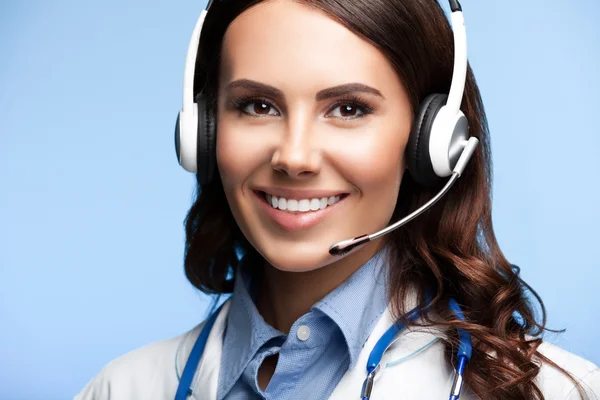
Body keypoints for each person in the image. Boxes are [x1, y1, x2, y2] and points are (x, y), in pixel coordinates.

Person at [75, 0, 600, 399]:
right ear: (204, 133)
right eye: (257, 105)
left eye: (348, 109)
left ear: (431, 141)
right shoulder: (123, 387)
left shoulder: (559, 391)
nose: (294, 157)